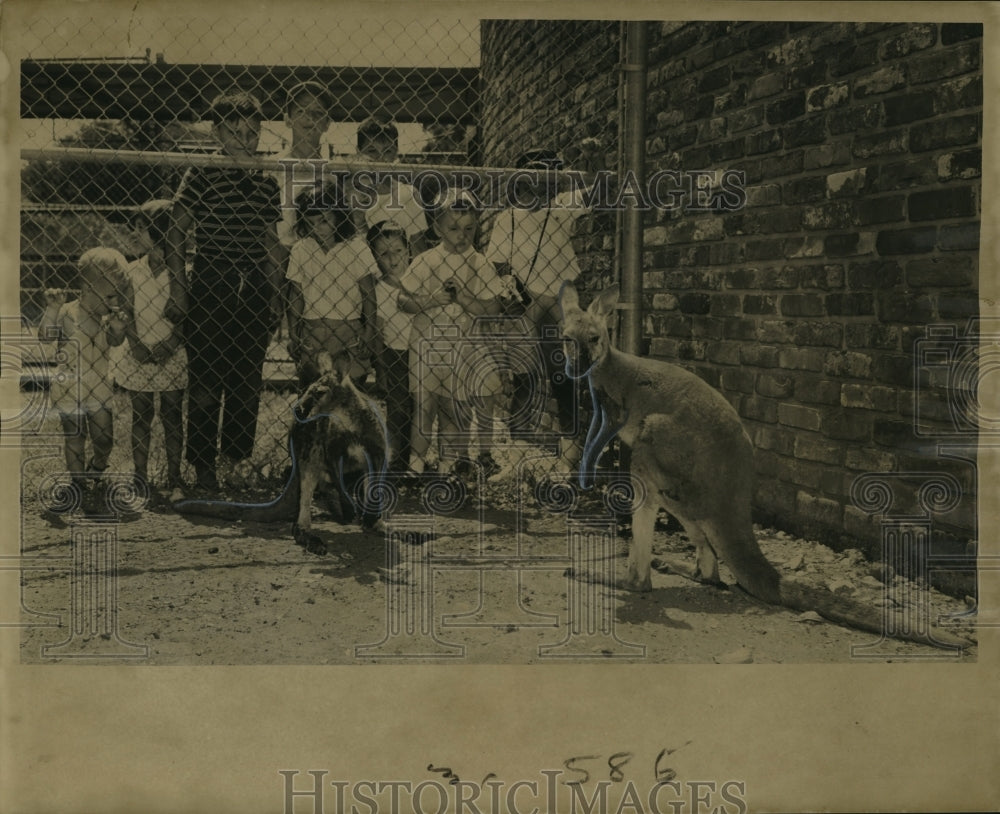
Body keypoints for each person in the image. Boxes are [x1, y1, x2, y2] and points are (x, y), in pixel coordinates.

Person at [164, 90, 284, 493]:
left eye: (252, 133)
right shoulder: (201, 172)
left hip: (253, 285)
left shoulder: (267, 181)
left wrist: (273, 297)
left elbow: (270, 244)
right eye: (234, 132)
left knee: (246, 380)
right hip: (212, 280)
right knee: (204, 381)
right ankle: (202, 466)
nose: (244, 140)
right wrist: (180, 289)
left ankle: (236, 461)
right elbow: (177, 231)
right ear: (216, 132)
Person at [485, 143, 604, 463]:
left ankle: (570, 446)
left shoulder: (562, 205)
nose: (542, 180)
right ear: (520, 179)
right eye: (534, 172)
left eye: (549, 173)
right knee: (525, 373)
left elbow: (594, 194)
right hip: (526, 303)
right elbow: (498, 263)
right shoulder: (508, 218)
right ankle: (519, 446)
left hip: (560, 302)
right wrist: (520, 297)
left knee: (562, 372)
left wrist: (590, 162)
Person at [398, 190, 505, 478]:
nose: (462, 236)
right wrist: (431, 300)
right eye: (454, 229)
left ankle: (447, 466)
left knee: (453, 409)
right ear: (437, 228)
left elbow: (493, 308)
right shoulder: (426, 260)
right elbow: (402, 300)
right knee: (424, 405)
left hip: (461, 349)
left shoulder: (480, 263)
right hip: (425, 345)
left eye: (469, 229)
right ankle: (415, 465)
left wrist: (465, 298)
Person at [38, 247, 130, 513]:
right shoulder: (68, 312)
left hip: (98, 386)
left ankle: (98, 466)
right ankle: (78, 483)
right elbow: (45, 336)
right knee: (74, 437)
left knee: (104, 437)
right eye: (111, 294)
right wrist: (52, 310)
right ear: (89, 287)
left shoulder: (106, 318)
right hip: (69, 385)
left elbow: (115, 342)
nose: (116, 301)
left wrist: (118, 329)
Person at [112, 199, 187, 502]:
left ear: (160, 232)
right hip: (139, 352)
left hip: (172, 351)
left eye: (141, 228)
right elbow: (125, 312)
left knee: (172, 415)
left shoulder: (181, 272)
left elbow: (185, 315)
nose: (134, 233)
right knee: (141, 415)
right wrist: (137, 344)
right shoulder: (132, 271)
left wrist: (171, 343)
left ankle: (175, 477)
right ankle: (139, 477)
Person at [285, 179, 379, 389]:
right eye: (310, 223)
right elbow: (296, 293)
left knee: (349, 393)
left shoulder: (357, 248)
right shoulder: (301, 249)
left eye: (324, 221)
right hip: (313, 330)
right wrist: (293, 331)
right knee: (313, 393)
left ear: (339, 215)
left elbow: (369, 295)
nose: (317, 229)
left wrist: (369, 332)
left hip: (349, 330)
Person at [366, 219, 413, 469]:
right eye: (384, 254)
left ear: (408, 250)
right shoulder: (379, 290)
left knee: (422, 408)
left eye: (398, 251)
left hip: (423, 354)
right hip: (395, 354)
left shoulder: (421, 280)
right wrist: (381, 367)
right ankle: (395, 460)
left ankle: (417, 460)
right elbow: (378, 333)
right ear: (374, 258)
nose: (393, 259)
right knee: (398, 408)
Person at [351, 114, 429, 253]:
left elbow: (418, 247)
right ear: (358, 152)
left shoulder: (409, 193)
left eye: (387, 151)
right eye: (372, 151)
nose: (380, 159)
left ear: (396, 153)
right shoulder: (350, 192)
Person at [272, 80, 335, 251]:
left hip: (318, 258)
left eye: (318, 112)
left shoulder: (332, 174)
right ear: (288, 119)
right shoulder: (272, 168)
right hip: (277, 254)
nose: (310, 118)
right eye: (301, 110)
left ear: (327, 123)